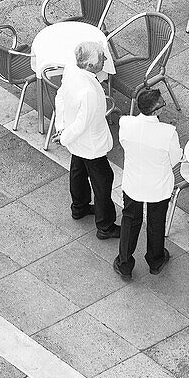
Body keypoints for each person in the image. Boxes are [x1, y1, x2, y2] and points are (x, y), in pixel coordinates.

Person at [113, 88, 182, 279]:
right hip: (158, 188)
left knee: (130, 221)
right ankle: (155, 260)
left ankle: (124, 264)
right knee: (156, 223)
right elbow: (175, 159)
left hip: (133, 184)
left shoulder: (125, 123)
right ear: (156, 111)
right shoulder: (168, 133)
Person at [54, 41, 119, 239]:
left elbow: (60, 97)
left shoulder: (72, 71)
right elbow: (83, 123)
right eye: (102, 59)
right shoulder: (89, 91)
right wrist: (64, 137)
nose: (105, 60)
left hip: (77, 142)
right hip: (91, 144)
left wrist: (61, 128)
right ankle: (105, 226)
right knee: (103, 181)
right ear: (90, 65)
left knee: (78, 172)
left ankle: (79, 207)